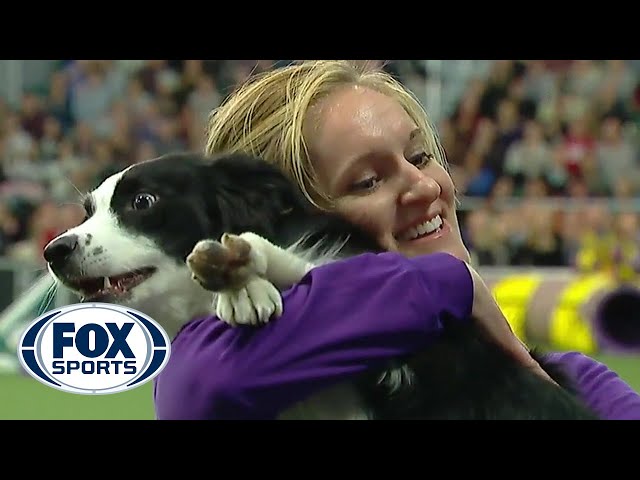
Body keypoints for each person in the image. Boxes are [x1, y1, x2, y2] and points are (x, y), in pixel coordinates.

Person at [153, 60, 640, 420]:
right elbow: (199, 388)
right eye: (368, 181)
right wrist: (446, 284)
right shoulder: (242, 378)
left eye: (422, 156)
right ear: (292, 227)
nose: (427, 186)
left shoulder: (573, 378)